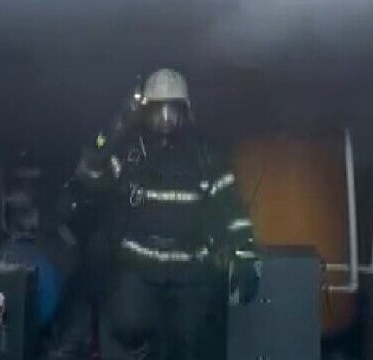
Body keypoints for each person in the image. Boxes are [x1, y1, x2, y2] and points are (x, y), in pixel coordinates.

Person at [73, 69, 260, 360]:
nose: (165, 120)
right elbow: (89, 176)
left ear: (186, 114)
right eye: (158, 112)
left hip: (191, 268)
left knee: (190, 344)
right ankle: (143, 350)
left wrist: (246, 258)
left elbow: (232, 210)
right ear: (145, 114)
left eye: (172, 112)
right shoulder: (132, 154)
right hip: (139, 264)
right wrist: (116, 124)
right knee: (125, 324)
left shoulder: (205, 158)